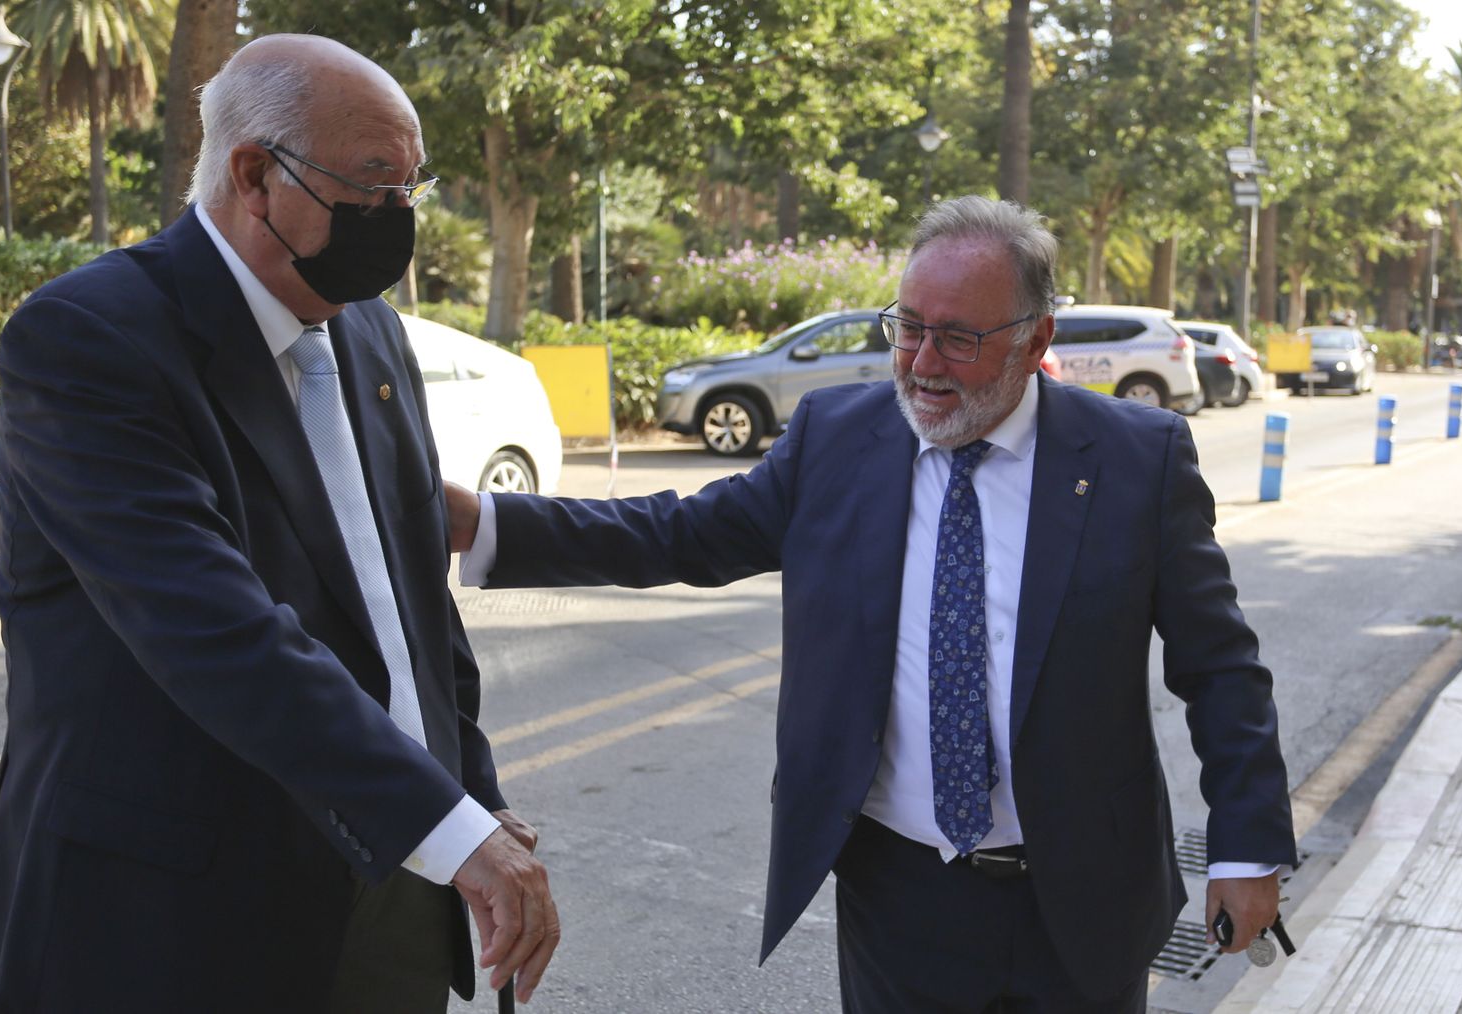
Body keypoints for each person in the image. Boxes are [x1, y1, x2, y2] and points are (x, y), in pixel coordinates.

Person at [447, 196, 1296, 1012]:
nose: (922, 363)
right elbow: (682, 534)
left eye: (958, 338)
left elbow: (1219, 665)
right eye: (909, 327)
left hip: (1082, 894)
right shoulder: (837, 437)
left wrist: (1249, 848)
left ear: (1036, 338)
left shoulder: (1134, 460)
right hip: (899, 900)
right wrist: (486, 523)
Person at [0, 35, 558, 1013]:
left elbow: (409, 601)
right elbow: (213, 629)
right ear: (254, 175)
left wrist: (472, 793)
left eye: (412, 186)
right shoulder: (91, 338)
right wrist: (450, 828)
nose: (399, 216)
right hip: (171, 916)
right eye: (374, 184)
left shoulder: (368, 326)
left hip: (394, 881)